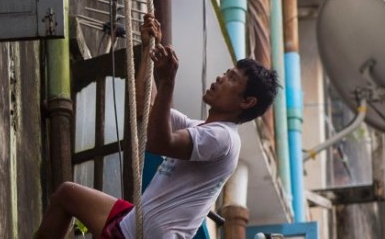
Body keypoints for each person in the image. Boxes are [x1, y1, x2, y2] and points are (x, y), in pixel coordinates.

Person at [35, 14, 280, 239]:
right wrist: (148, 50)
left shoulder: (223, 138)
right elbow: (145, 110)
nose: (221, 78)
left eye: (232, 78)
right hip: (133, 224)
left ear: (247, 101)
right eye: (227, 73)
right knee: (68, 195)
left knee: (68, 194)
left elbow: (159, 142)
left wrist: (168, 83)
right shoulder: (202, 128)